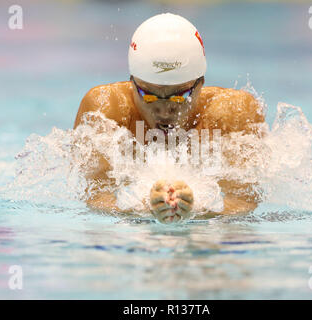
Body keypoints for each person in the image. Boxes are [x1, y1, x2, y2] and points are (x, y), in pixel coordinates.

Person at [74, 13, 265, 223]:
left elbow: (244, 201)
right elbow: (94, 197)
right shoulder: (107, 110)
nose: (164, 111)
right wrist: (145, 208)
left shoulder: (232, 114)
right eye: (149, 96)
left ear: (200, 84)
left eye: (179, 97)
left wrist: (196, 209)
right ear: (132, 83)